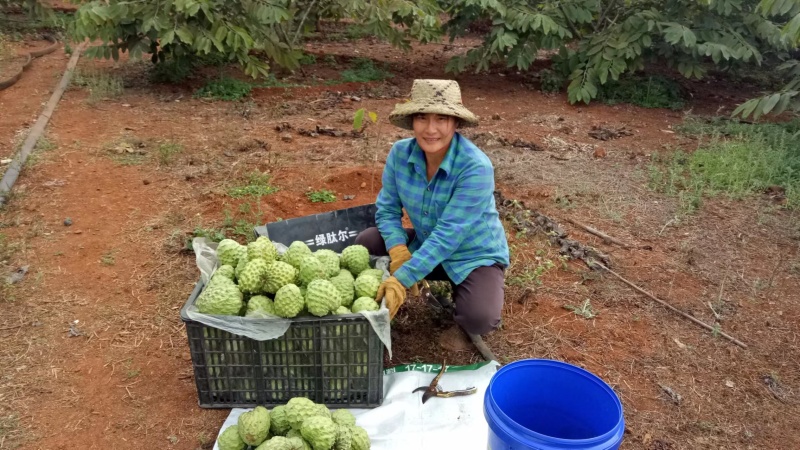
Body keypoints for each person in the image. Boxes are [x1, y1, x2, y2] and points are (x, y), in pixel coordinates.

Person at [354, 79, 509, 339]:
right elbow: (387, 209)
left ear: (456, 123)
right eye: (422, 118)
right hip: (427, 242)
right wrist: (398, 249)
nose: (431, 129)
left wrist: (402, 277)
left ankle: (466, 291)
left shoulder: (475, 167)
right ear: (412, 121)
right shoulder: (400, 154)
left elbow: (450, 234)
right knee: (368, 240)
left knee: (479, 317)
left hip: (472, 254)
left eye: (442, 119)